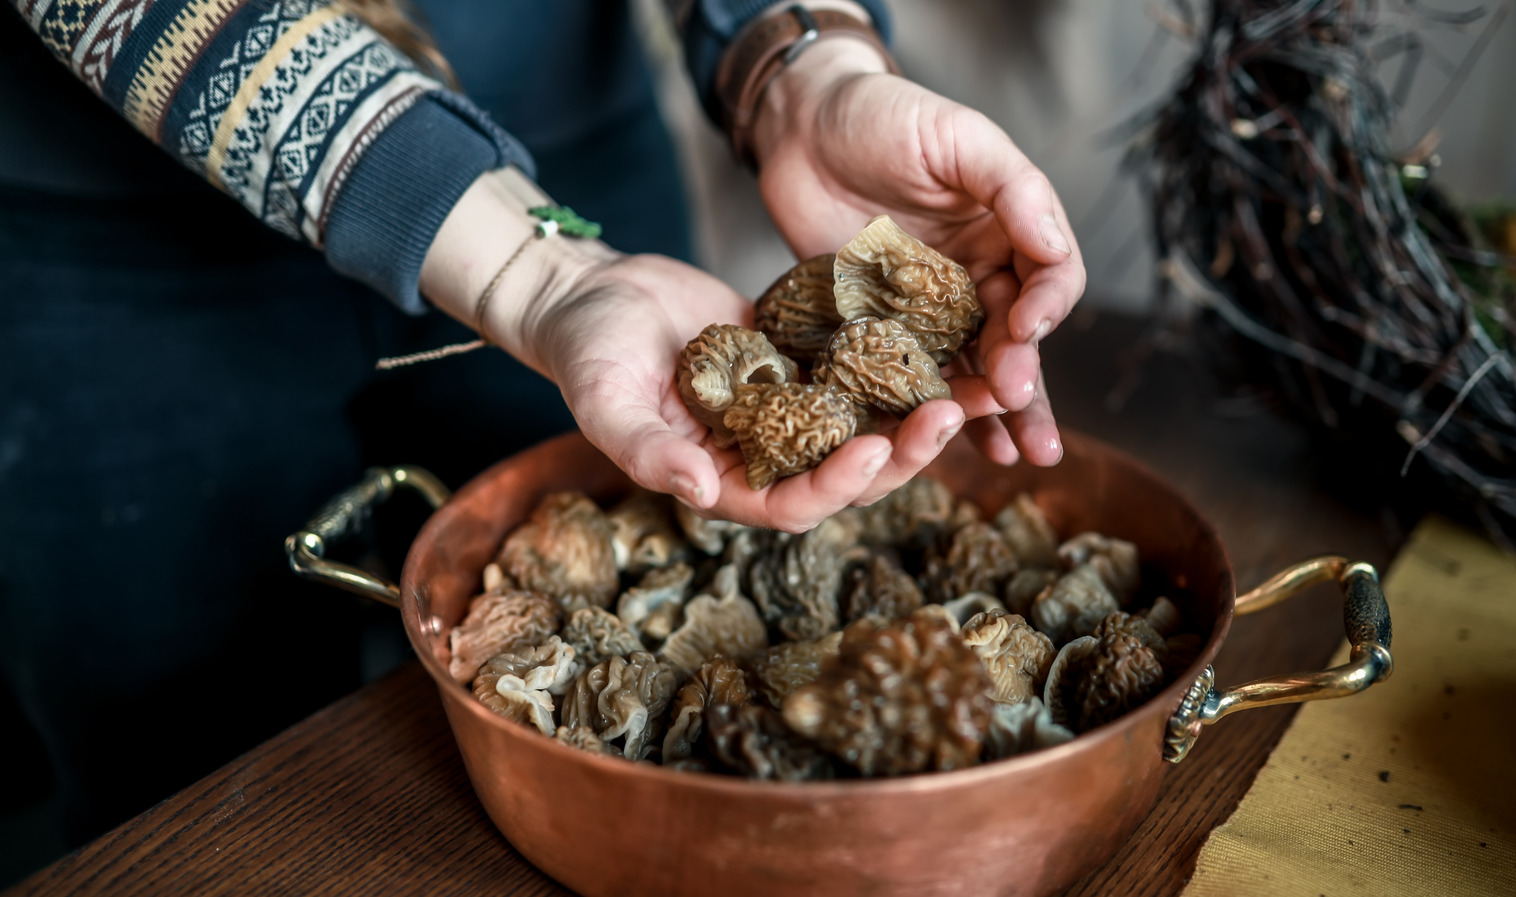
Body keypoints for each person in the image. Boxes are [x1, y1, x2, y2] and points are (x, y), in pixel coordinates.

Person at [0, 0, 1084, 857]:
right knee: (187, 783)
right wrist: (527, 267)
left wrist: (799, 61)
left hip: (562, 144)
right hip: (111, 237)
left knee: (547, 714)